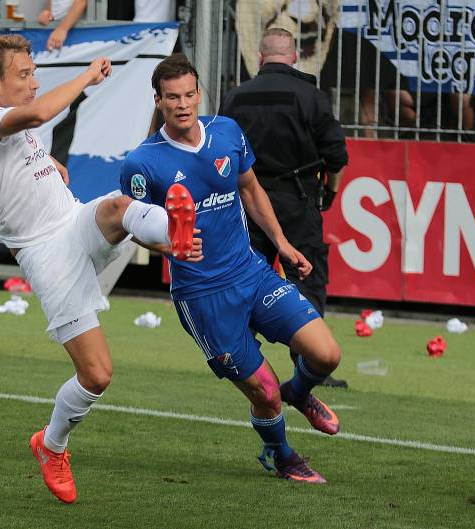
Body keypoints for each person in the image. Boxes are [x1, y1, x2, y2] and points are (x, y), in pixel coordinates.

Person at [0, 34, 200, 503]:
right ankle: (51, 446)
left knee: (116, 207)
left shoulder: (3, 124)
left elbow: (18, 148)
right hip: (47, 255)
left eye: (33, 73)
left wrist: (46, 163)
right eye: (23, 75)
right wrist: (89, 75)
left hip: (71, 220)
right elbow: (37, 114)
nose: (33, 82)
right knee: (97, 375)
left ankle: (174, 235)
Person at [121, 52, 343, 483]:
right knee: (265, 394)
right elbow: (130, 227)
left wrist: (281, 244)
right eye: (172, 97)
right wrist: (169, 247)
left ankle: (299, 392)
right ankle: (280, 454)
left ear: (199, 93)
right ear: (158, 101)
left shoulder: (227, 132)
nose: (183, 104)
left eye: (189, 94)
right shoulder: (143, 164)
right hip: (203, 297)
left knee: (326, 354)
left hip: (252, 273)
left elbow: (251, 188)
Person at [221, 27, 349, 389]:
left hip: (246, 201)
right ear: (294, 57)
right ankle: (310, 362)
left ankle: (239, 356)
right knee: (305, 276)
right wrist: (329, 192)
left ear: (260, 58)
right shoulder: (311, 96)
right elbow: (337, 156)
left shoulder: (234, 97)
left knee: (242, 277)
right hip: (298, 200)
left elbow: (219, 151)